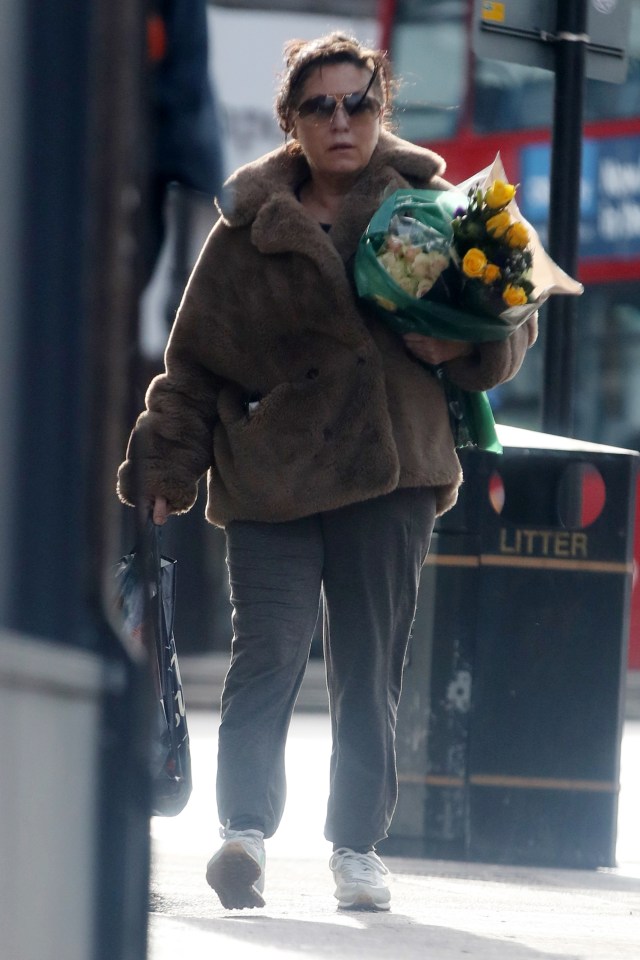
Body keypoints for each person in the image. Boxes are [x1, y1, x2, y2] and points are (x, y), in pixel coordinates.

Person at [117, 32, 537, 912]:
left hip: (391, 474)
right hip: (272, 472)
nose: (342, 120)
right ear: (292, 121)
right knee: (264, 655)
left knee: (368, 663)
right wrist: (168, 464)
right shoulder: (246, 228)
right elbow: (193, 366)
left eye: (359, 103)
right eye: (321, 106)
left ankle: (356, 850)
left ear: (382, 110)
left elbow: (511, 330)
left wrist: (457, 345)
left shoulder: (439, 205)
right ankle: (244, 836)